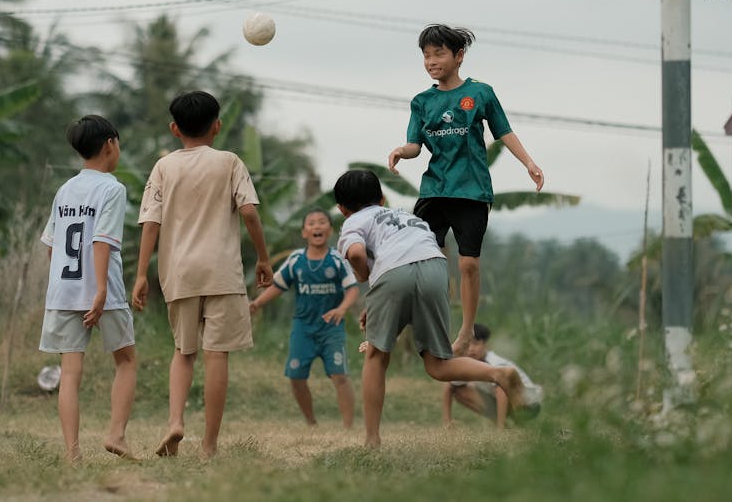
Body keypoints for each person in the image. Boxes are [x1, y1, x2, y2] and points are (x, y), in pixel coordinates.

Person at [333, 169, 524, 449]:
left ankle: (372, 439)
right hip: (435, 267)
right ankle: (497, 374)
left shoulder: (354, 222)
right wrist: (380, 298)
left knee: (375, 356)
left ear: (342, 209)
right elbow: (410, 263)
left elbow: (358, 254)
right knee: (438, 364)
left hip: (394, 273)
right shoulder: (407, 217)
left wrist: (363, 276)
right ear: (382, 198)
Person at [131, 91, 273, 459]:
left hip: (178, 272)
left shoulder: (164, 168)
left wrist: (142, 274)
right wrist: (262, 259)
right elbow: (250, 214)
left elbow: (150, 222)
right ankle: (209, 446)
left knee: (183, 351)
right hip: (222, 271)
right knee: (216, 355)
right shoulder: (229, 162)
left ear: (174, 129)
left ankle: (175, 421)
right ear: (218, 126)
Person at [387, 24, 544, 357]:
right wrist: (402, 150)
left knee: (468, 265)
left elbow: (504, 132)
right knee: (423, 258)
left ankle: (466, 329)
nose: (432, 61)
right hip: (434, 191)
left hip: (472, 192)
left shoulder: (481, 93)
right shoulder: (421, 102)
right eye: (426, 56)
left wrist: (529, 162)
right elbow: (416, 145)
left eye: (439, 53)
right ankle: (432, 321)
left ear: (459, 56)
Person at [39, 115, 137, 464]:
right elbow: (101, 241)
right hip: (103, 290)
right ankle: (116, 435)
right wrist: (97, 292)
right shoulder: (112, 188)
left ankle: (72, 453)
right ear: (110, 144)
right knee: (126, 360)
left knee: (69, 373)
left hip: (64, 291)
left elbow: (52, 246)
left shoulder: (65, 189)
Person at [250, 208, 360, 428]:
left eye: (322, 222)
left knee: (339, 376)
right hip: (303, 328)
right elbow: (278, 286)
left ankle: (349, 427)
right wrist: (256, 303)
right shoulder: (296, 259)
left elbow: (353, 289)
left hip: (332, 328)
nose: (317, 226)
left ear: (329, 230)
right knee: (296, 377)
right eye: (311, 223)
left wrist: (342, 309)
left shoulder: (338, 259)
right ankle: (311, 423)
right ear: (304, 232)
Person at [442, 323, 543, 430]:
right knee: (460, 392)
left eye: (476, 344)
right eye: (467, 345)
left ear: (486, 345)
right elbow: (449, 386)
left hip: (529, 405)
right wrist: (447, 421)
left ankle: (503, 427)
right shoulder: (467, 364)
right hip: (507, 402)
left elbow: (502, 390)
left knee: (500, 385)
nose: (471, 349)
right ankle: (505, 426)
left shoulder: (495, 363)